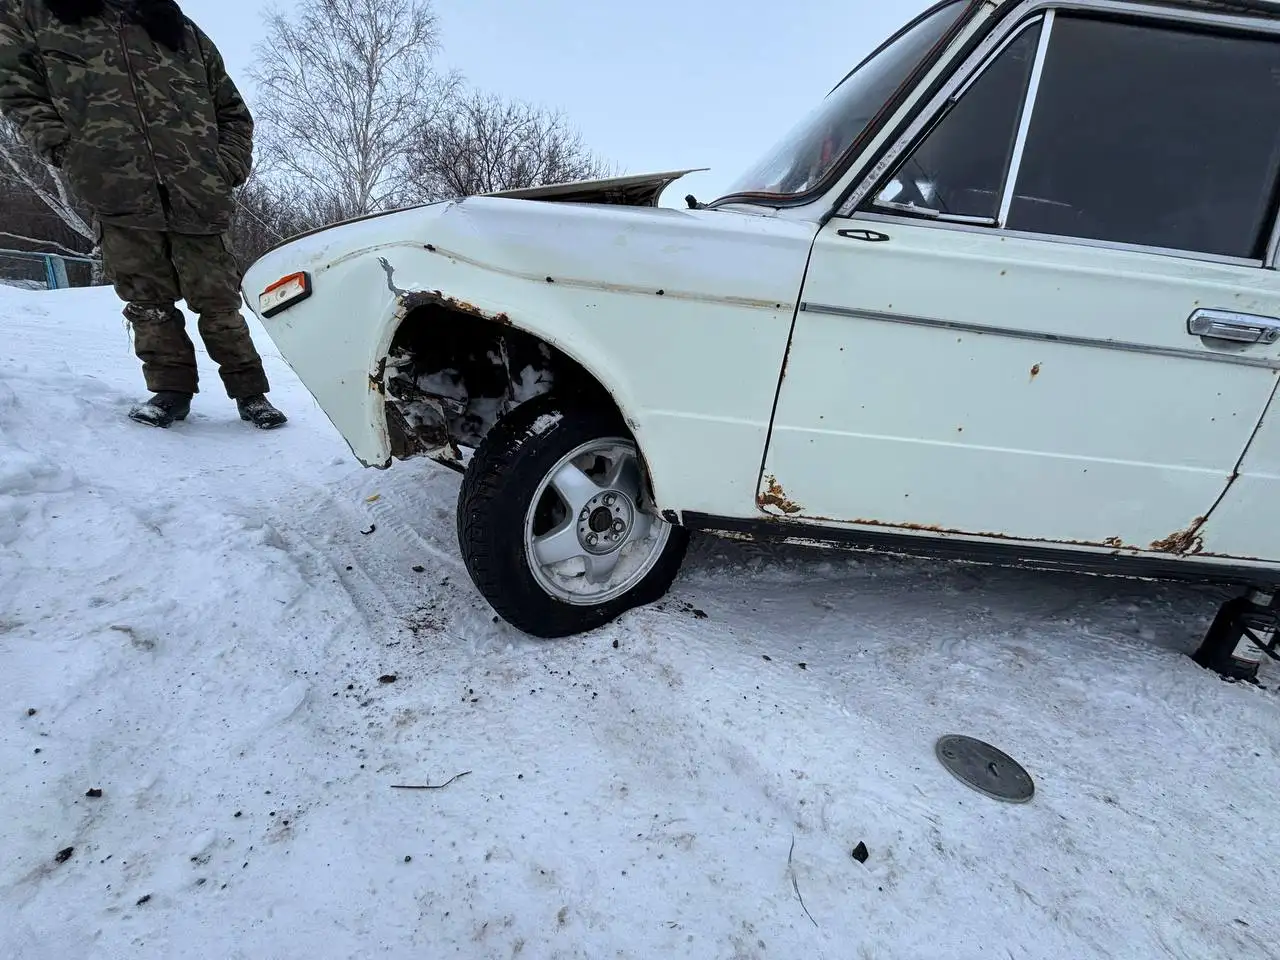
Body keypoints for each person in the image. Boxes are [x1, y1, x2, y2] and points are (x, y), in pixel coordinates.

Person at [0, 0, 287, 429]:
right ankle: (171, 391)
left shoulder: (176, 27)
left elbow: (232, 110)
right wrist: (66, 148)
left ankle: (251, 392)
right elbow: (14, 84)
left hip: (196, 190)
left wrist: (224, 167)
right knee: (146, 299)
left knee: (219, 301)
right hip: (116, 185)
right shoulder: (40, 14)